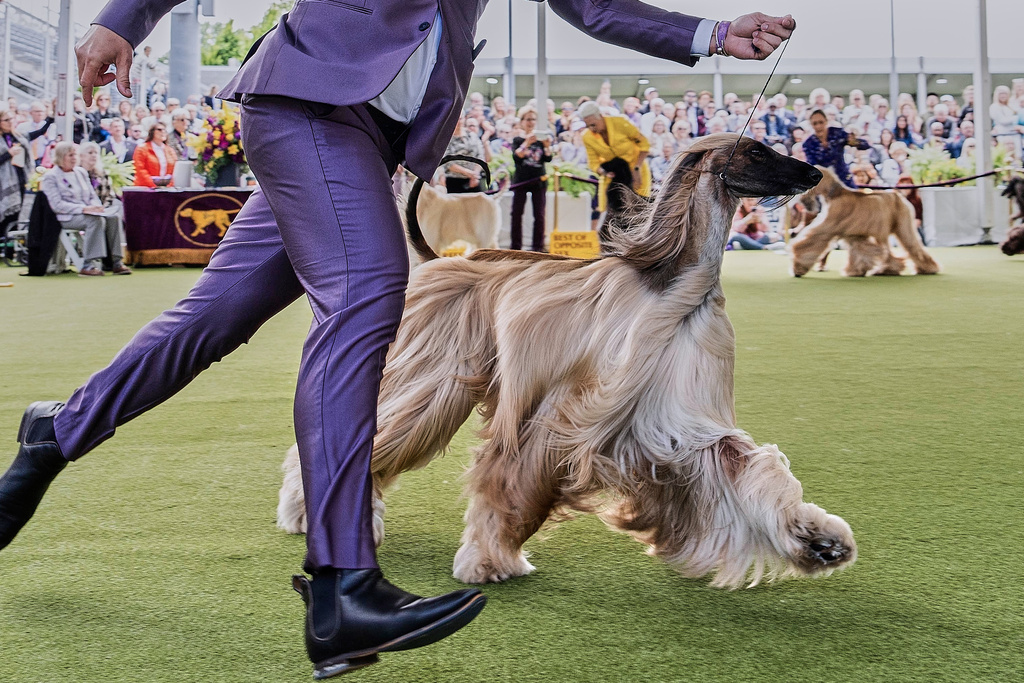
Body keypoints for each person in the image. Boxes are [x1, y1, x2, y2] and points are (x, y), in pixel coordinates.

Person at [1, 0, 797, 678]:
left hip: (376, 136)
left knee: (213, 319)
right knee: (364, 296)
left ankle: (56, 430)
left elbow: (589, 4)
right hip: (308, 102)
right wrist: (122, 21)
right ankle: (341, 580)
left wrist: (714, 34)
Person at [38, 142, 130, 276]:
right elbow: (57, 205)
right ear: (61, 157)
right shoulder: (51, 177)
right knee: (95, 220)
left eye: (75, 154)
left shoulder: (80, 172)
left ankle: (116, 262)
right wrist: (84, 208)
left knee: (113, 218)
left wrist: (97, 206)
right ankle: (89, 264)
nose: (74, 158)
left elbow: (92, 195)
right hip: (65, 216)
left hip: (86, 212)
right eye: (70, 155)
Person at [580, 99, 652, 229]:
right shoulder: (587, 137)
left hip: (637, 169)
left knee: (639, 207)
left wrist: (636, 169)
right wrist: (604, 172)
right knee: (614, 211)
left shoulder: (620, 122)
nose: (592, 129)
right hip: (615, 177)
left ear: (600, 116)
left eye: (593, 124)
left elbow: (644, 144)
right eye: (588, 126)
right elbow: (594, 163)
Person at [510, 106, 553, 251]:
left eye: (534, 119)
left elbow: (548, 158)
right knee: (516, 215)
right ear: (522, 121)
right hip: (521, 181)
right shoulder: (518, 139)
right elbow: (517, 157)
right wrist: (526, 143)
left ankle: (538, 248)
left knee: (539, 216)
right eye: (528, 119)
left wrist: (547, 146)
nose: (531, 122)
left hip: (539, 181)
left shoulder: (541, 140)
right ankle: (515, 248)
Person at [802, 109, 870, 188]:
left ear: (826, 121)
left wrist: (854, 141)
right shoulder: (808, 144)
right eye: (815, 123)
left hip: (843, 178)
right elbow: (812, 166)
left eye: (821, 122)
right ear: (811, 125)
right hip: (824, 183)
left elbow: (865, 145)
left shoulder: (837, 133)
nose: (818, 126)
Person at [0, 110, 31, 244]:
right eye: (7, 120)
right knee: (5, 214)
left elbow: (36, 134)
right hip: (3, 181)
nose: (10, 122)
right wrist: (9, 154)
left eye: (12, 119)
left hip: (19, 177)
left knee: (17, 213)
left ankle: (11, 248)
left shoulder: (18, 136)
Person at [442, 115, 487, 193]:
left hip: (475, 180)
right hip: (454, 181)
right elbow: (447, 162)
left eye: (460, 119)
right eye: (456, 119)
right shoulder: (445, 137)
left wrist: (475, 176)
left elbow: (481, 156)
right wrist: (469, 173)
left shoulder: (472, 135)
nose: (458, 122)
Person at [132, 122, 178, 188]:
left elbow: (174, 170)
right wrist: (154, 186)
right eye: (159, 130)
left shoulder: (170, 150)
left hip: (166, 189)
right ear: (152, 132)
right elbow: (140, 170)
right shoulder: (141, 149)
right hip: (145, 189)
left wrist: (168, 186)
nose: (163, 132)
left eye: (164, 130)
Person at [16, 101, 55, 167]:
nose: (40, 114)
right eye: (37, 111)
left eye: (42, 111)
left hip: (44, 160)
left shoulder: (51, 127)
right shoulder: (22, 126)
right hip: (27, 159)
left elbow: (52, 143)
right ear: (31, 113)